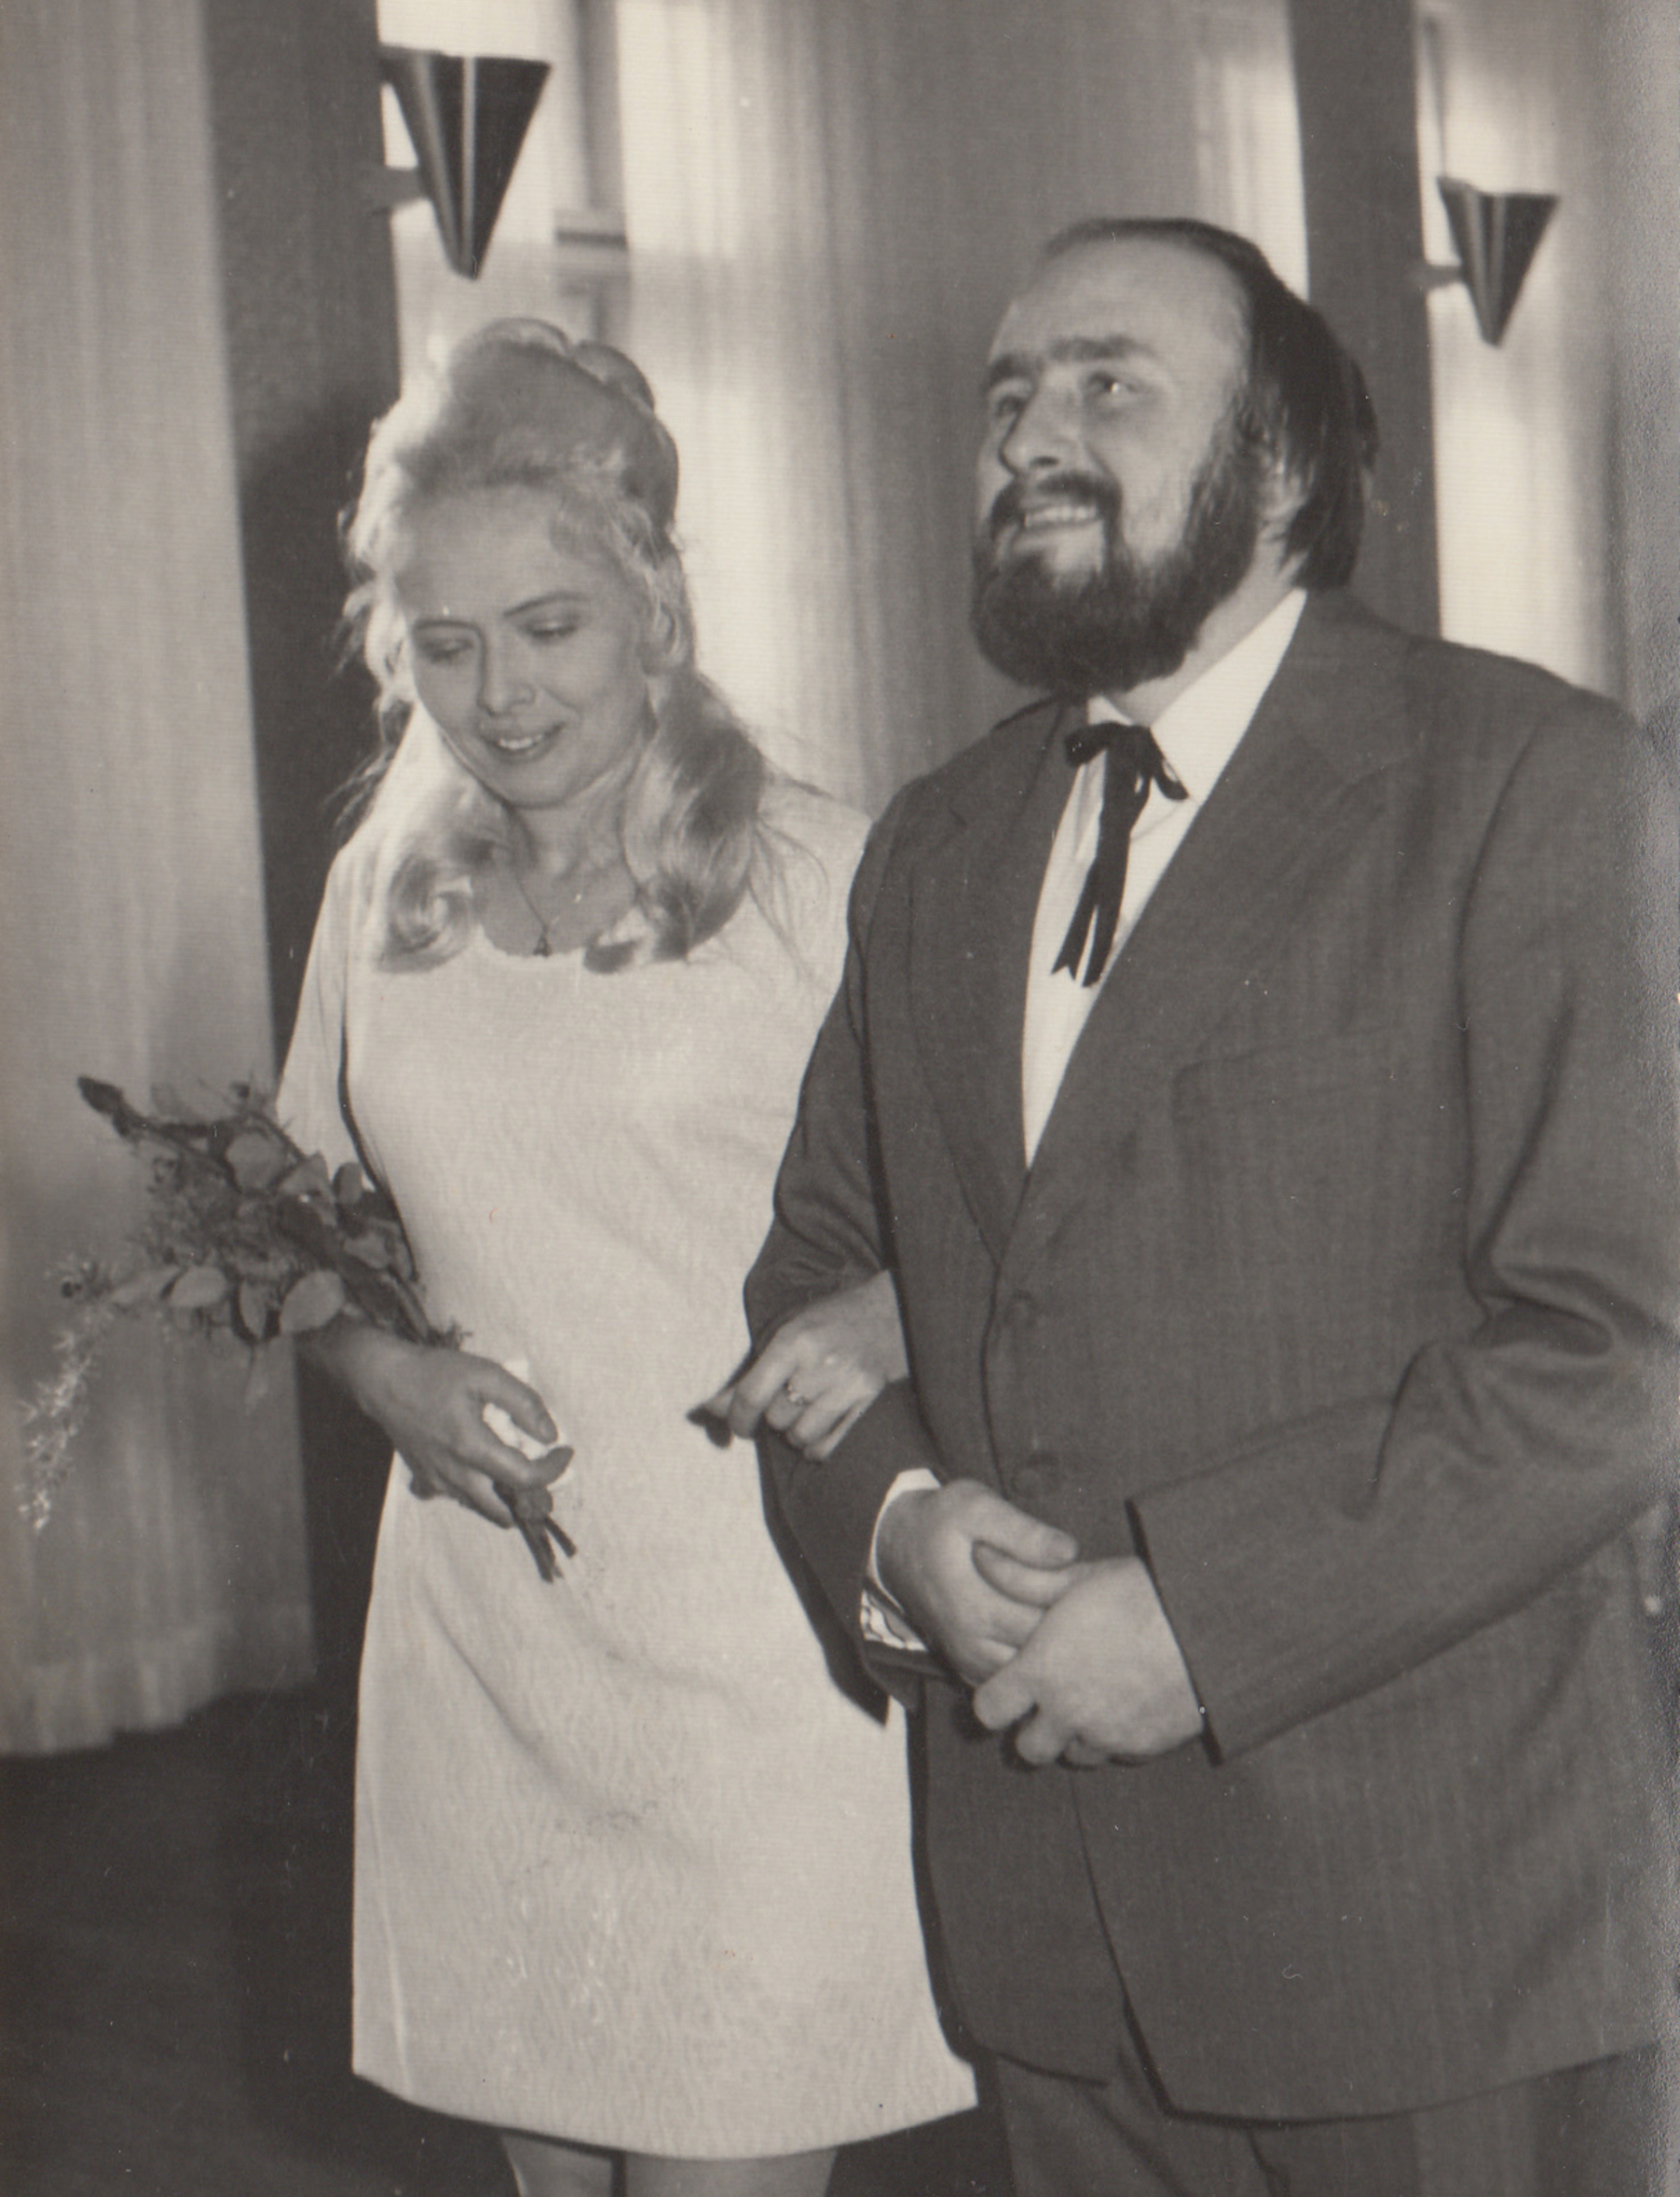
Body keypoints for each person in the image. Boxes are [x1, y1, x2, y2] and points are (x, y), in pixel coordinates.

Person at [731, 220, 1679, 2196]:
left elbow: (1620, 1348)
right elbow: (820, 1267)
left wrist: (1201, 1622)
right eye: (1007, 398)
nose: (1029, 438)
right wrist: (897, 1532)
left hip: (1423, 1935)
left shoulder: (1524, 781)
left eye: (1108, 386)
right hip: (1046, 1940)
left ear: (1283, 463)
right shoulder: (940, 843)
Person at [275, 320, 975, 2197]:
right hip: (490, 1654)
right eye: (444, 643)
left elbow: (1019, 1220)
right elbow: (297, 1232)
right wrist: (382, 1376)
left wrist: (889, 1306)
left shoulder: (821, 881)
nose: (499, 694)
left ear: (653, 605)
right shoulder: (382, 896)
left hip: (757, 1658)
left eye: (549, 626)